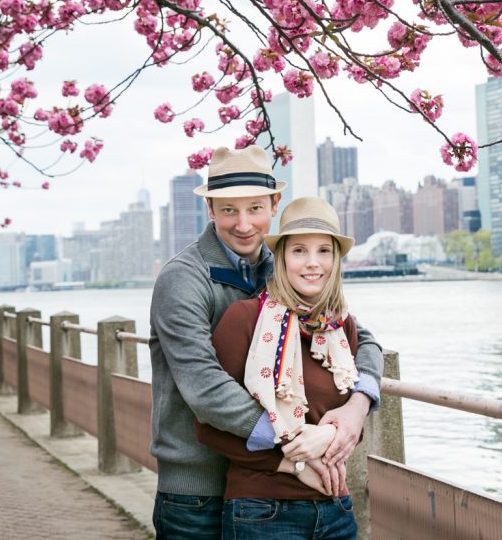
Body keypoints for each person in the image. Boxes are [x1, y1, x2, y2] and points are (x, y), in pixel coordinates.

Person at [149, 146, 383, 539]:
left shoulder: (281, 269)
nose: (243, 224)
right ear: (210, 210)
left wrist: (356, 409)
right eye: (228, 210)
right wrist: (299, 453)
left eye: (255, 208)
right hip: (200, 486)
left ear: (274, 204)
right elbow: (205, 387)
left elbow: (363, 339)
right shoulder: (183, 279)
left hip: (274, 481)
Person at [196, 196, 364, 539]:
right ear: (282, 257)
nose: (312, 263)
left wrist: (330, 433)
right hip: (263, 510)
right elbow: (209, 428)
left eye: (324, 251)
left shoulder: (341, 327)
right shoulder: (245, 320)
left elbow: (351, 417)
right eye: (299, 250)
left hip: (336, 507)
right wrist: (295, 462)